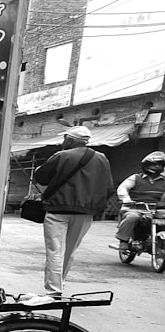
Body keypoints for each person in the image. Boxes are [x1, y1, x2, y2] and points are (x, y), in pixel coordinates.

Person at [34, 126, 114, 297]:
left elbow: (40, 177)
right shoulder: (102, 158)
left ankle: (53, 291)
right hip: (85, 213)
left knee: (55, 250)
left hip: (58, 210)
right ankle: (60, 284)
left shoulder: (62, 156)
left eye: (64, 138)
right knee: (70, 251)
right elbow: (109, 188)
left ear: (70, 140)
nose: (63, 142)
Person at [114, 150, 165, 249]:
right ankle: (123, 240)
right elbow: (123, 188)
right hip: (134, 208)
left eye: (160, 165)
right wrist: (126, 199)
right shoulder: (135, 178)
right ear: (146, 166)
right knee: (132, 217)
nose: (157, 167)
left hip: (155, 210)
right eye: (154, 165)